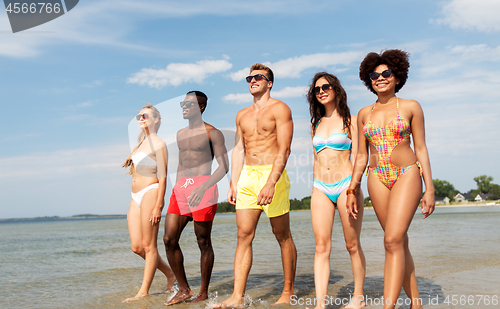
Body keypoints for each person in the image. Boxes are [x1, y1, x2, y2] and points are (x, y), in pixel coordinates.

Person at [346, 49, 435, 309]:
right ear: (368, 79)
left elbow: (421, 148)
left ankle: (388, 306)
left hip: (406, 174)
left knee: (392, 241)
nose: (380, 78)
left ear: (397, 77)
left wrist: (430, 188)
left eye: (386, 73)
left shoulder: (410, 106)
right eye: (375, 74)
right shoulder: (364, 113)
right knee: (399, 242)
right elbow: (361, 155)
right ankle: (416, 303)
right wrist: (353, 189)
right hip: (377, 178)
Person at [213, 63, 297, 308]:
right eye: (249, 78)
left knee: (282, 236)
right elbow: (239, 149)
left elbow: (285, 148)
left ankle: (287, 291)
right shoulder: (242, 114)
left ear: (269, 83)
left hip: (273, 174)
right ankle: (237, 297)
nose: (253, 80)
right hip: (248, 176)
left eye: (259, 77)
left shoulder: (280, 109)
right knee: (243, 235)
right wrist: (234, 183)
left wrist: (271, 182)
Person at [306, 72, 366, 309]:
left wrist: (353, 189)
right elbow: (315, 160)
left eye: (326, 87)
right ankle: (321, 304)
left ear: (336, 89)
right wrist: (314, 187)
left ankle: (358, 298)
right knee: (321, 246)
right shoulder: (315, 124)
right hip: (320, 187)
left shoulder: (352, 120)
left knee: (352, 245)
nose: (321, 91)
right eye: (317, 89)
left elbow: (361, 156)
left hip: (346, 186)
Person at [163, 91, 229, 305]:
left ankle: (203, 292)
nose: (183, 106)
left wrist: (203, 188)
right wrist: (178, 187)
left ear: (201, 107)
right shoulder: (180, 134)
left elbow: (224, 166)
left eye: (188, 104)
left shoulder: (213, 133)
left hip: (204, 187)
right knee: (169, 239)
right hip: (182, 189)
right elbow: (181, 163)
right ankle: (184, 289)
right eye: (182, 103)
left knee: (203, 241)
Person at [122, 105, 176, 302]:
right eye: (139, 116)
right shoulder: (140, 143)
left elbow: (163, 178)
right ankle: (170, 274)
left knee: (148, 245)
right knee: (137, 247)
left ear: (156, 120)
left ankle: (143, 291)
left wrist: (158, 206)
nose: (141, 118)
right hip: (135, 196)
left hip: (151, 193)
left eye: (145, 115)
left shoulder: (159, 144)